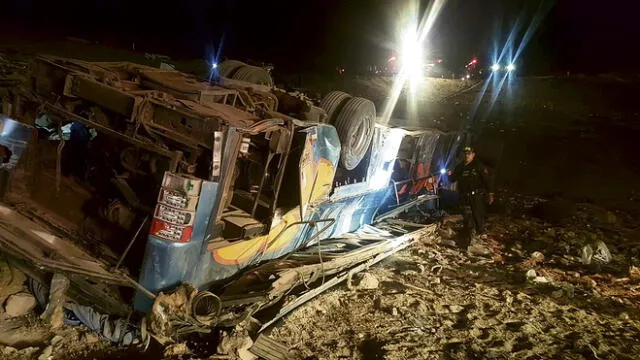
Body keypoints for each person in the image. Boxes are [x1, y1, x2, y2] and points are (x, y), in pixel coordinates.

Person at [448, 146, 494, 248]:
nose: (467, 156)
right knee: (467, 216)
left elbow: (487, 180)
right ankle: (468, 239)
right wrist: (448, 175)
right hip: (464, 196)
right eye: (465, 154)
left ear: (473, 155)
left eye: (469, 154)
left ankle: (480, 235)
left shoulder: (478, 166)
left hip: (476, 196)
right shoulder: (460, 167)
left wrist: (491, 193)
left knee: (478, 216)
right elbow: (452, 179)